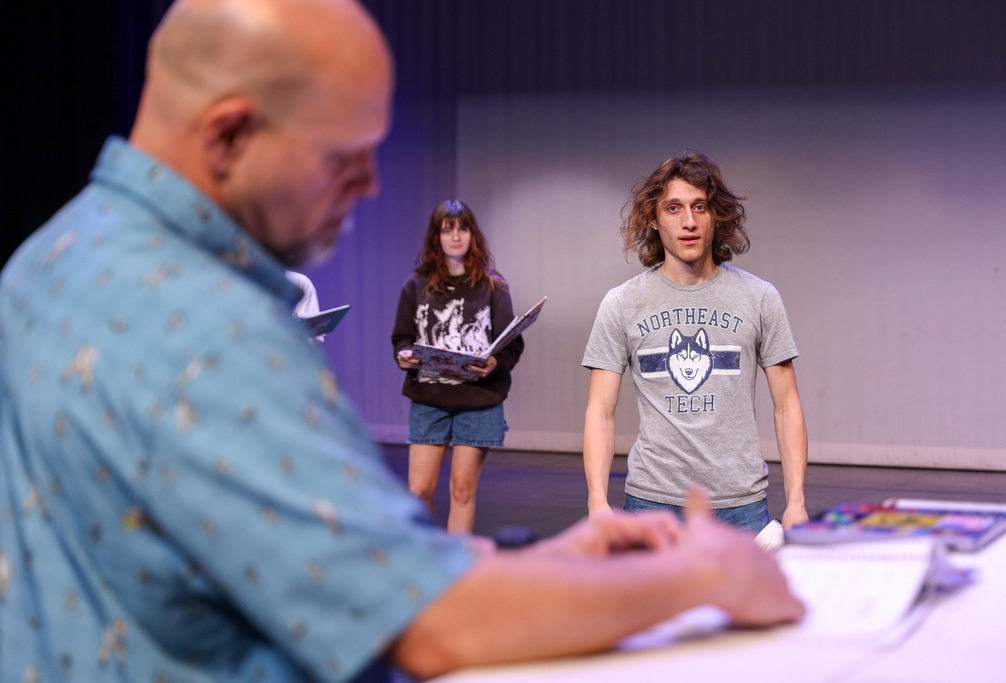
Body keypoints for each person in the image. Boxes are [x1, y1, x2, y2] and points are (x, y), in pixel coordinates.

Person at [0, 2, 804, 681]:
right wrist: (701, 575)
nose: (371, 185)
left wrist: (553, 561)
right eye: (344, 153)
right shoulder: (213, 328)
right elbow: (430, 623)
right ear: (230, 135)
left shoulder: (45, 260)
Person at [582, 152, 810, 532]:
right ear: (653, 219)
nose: (688, 222)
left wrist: (797, 500)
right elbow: (600, 412)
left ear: (715, 215)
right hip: (651, 504)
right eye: (673, 208)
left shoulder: (759, 297)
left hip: (741, 505)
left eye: (699, 207)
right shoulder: (623, 303)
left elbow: (787, 406)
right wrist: (597, 501)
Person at [391, 200, 523, 533]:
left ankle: (457, 573)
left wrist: (494, 362)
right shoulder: (416, 284)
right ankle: (427, 565)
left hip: (478, 402)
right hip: (429, 399)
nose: (455, 237)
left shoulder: (493, 286)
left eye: (462, 228)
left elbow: (512, 344)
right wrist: (404, 354)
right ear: (435, 237)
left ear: (472, 234)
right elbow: (402, 337)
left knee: (462, 490)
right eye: (447, 229)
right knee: (419, 491)